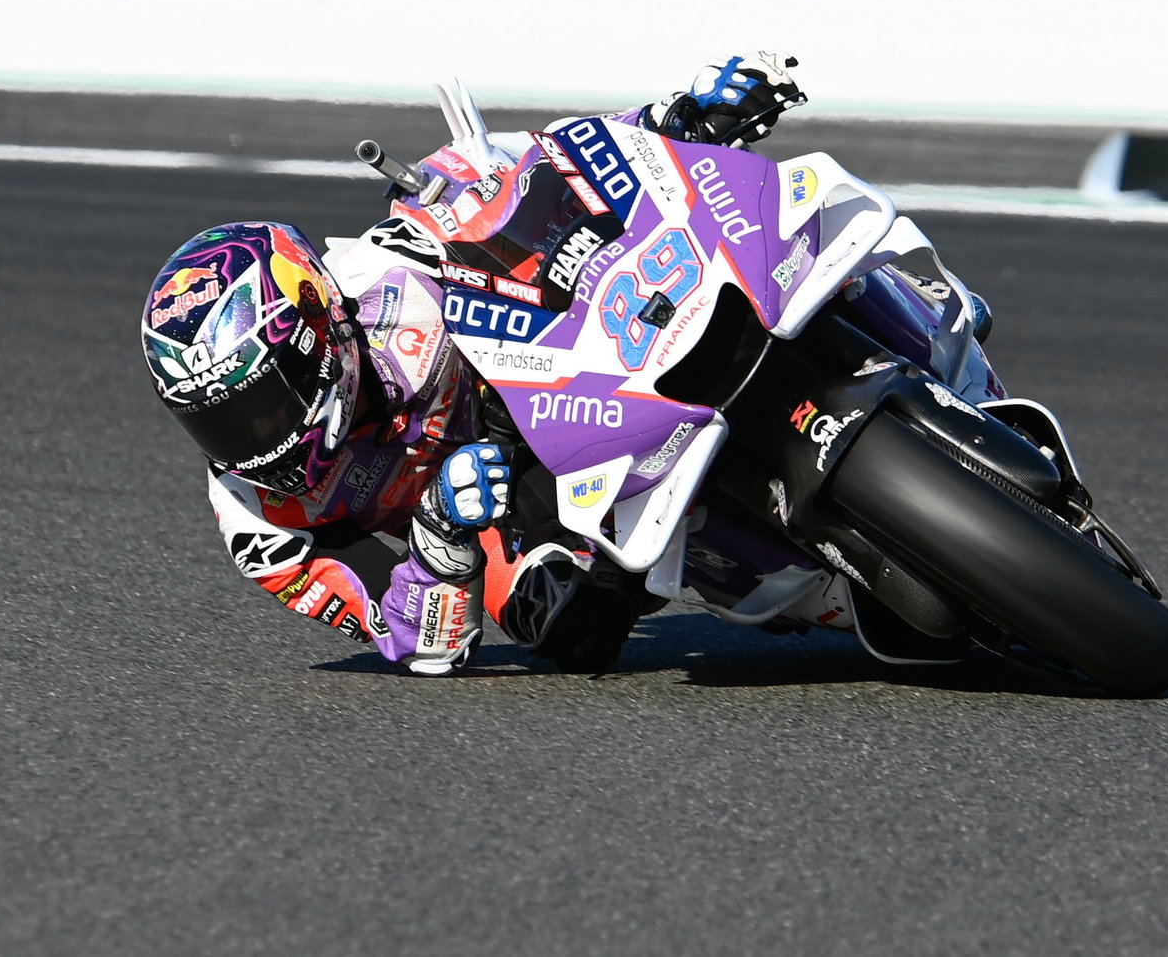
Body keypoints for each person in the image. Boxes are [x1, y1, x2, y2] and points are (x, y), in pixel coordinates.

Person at [140, 54, 805, 676]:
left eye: (260, 407)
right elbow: (417, 644)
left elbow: (543, 170)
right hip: (488, 508)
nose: (250, 444)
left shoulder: (390, 272)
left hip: (568, 372)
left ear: (318, 335)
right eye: (219, 424)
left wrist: (676, 118)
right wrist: (437, 533)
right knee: (572, 624)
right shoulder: (259, 523)